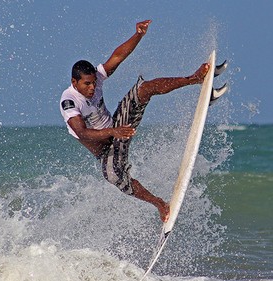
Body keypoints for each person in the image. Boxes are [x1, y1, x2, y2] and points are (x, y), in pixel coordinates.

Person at [59, 19, 209, 223]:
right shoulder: (69, 101)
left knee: (144, 89)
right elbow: (83, 132)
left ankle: (194, 79)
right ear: (74, 82)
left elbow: (118, 56)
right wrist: (113, 132)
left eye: (94, 83)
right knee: (114, 176)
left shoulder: (96, 79)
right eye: (87, 84)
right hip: (106, 149)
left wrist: (138, 34)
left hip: (117, 127)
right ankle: (159, 204)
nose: (92, 88)